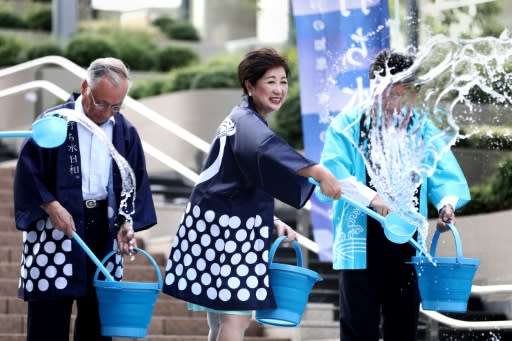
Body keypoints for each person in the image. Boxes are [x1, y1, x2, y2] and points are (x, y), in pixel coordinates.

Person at [162, 47, 343, 341]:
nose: (279, 89)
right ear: (250, 85)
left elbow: (237, 179)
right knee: (237, 318)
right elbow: (266, 149)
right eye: (271, 81)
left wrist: (268, 219)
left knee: (222, 320)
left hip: (216, 223)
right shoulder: (246, 121)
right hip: (227, 229)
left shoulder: (242, 119)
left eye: (283, 81)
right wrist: (320, 172)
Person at [319, 49, 471, 341]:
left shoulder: (421, 127)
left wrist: (446, 206)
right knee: (357, 326)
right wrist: (373, 199)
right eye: (387, 92)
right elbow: (331, 174)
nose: (392, 102)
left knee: (403, 327)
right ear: (373, 86)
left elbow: (443, 171)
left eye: (401, 94)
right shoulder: (349, 125)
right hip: (360, 241)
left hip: (408, 243)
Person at [14, 57, 157, 341]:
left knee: (98, 319)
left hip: (104, 228)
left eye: (116, 106)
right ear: (84, 87)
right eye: (101, 102)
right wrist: (51, 205)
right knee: (49, 315)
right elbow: (28, 171)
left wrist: (127, 223)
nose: (106, 112)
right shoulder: (54, 121)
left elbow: (134, 182)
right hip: (55, 227)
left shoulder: (124, 131)